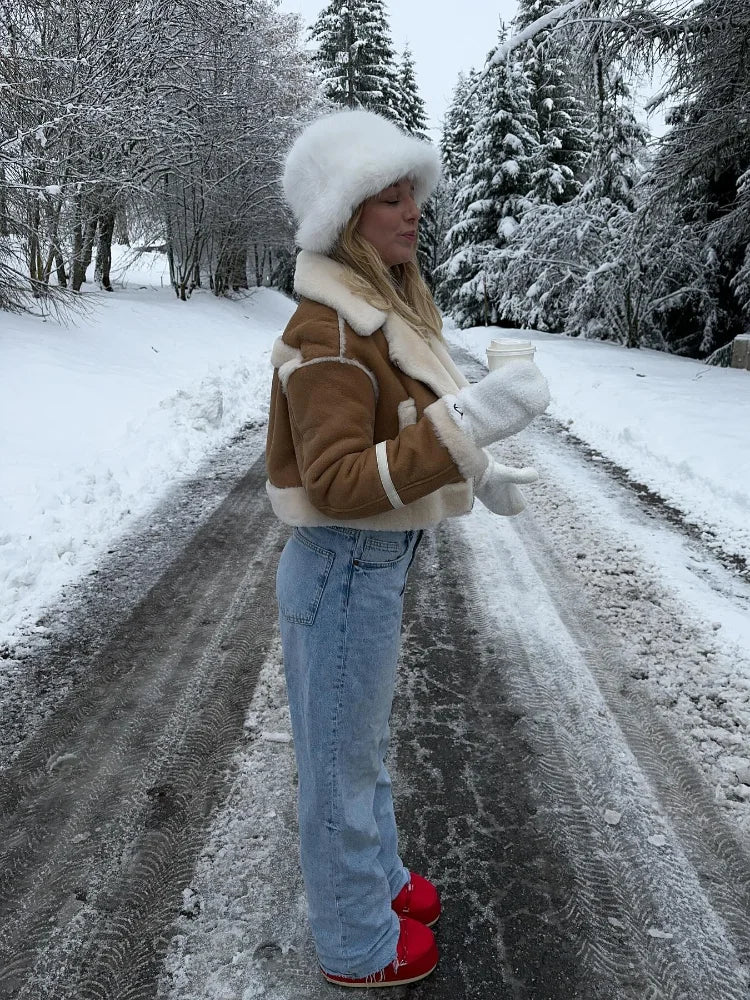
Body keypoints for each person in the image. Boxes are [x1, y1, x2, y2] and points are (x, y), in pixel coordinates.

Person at [265, 108, 550, 988]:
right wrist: (472, 423)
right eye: (387, 200)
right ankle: (356, 943)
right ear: (344, 221)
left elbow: (401, 430)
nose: (411, 211)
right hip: (344, 566)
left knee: (361, 747)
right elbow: (342, 482)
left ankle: (379, 881)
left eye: (412, 195)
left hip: (369, 567)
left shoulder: (381, 310)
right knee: (337, 767)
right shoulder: (331, 332)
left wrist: (472, 472)